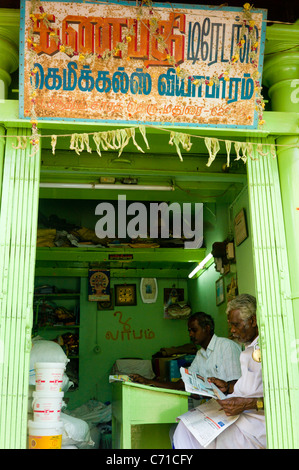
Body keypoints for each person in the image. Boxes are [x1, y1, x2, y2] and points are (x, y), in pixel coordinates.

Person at [173, 294, 266, 449]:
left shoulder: (265, 350)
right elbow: (248, 387)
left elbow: (279, 397)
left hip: (254, 422)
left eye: (236, 325)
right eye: (231, 325)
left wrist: (246, 404)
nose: (233, 330)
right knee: (185, 427)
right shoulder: (247, 351)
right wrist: (227, 387)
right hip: (240, 413)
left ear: (253, 321)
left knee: (214, 438)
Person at [130, 311, 242, 393]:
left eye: (194, 330)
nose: (190, 334)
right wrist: (148, 381)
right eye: (189, 331)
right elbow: (182, 384)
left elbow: (235, 386)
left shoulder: (226, 346)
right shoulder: (200, 354)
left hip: (231, 408)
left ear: (207, 329)